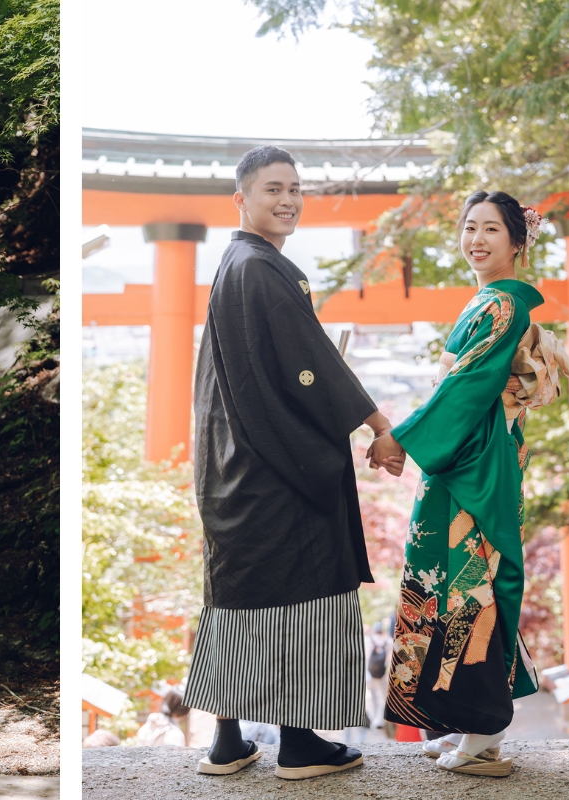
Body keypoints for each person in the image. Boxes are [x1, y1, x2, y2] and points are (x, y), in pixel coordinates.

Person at [183, 145, 405, 781]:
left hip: (235, 471)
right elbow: (313, 368)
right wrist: (378, 424)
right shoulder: (260, 269)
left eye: (295, 189)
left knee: (235, 599)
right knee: (303, 597)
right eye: (273, 188)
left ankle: (228, 742)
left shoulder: (237, 265)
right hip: (276, 475)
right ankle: (301, 742)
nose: (287, 200)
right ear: (242, 199)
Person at [369, 191, 546, 777]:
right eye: (469, 228)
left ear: (518, 242)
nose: (476, 239)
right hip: (471, 453)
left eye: (491, 229)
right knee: (450, 576)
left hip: (477, 458)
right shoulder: (490, 302)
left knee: (471, 581)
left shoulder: (501, 307)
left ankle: (486, 726)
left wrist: (401, 437)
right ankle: (471, 725)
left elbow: (466, 388)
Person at [366, 621, 390, 728]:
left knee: (371, 697)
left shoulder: (367, 640)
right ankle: (379, 721)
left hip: (369, 673)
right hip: (382, 674)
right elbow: (389, 660)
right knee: (381, 697)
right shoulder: (388, 641)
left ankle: (371, 718)